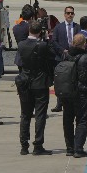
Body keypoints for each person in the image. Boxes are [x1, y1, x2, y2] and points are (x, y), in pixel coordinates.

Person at [16, 21, 57, 156]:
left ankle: (24, 145)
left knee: (25, 114)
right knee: (40, 115)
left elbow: (19, 62)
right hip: (39, 83)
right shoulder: (43, 45)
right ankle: (38, 144)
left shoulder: (21, 45)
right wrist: (46, 40)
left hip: (25, 82)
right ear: (40, 31)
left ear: (29, 30)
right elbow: (53, 57)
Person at [59, 34, 87, 157]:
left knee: (68, 120)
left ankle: (69, 148)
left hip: (67, 92)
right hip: (82, 92)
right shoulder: (86, 58)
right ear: (84, 44)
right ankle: (78, 148)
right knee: (81, 120)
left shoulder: (66, 55)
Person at [50, 6, 80, 112]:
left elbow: (80, 41)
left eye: (72, 13)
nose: (70, 15)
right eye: (68, 13)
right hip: (61, 57)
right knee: (60, 80)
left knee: (73, 79)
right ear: (64, 14)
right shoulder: (58, 27)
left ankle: (74, 102)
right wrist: (62, 50)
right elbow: (54, 41)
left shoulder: (77, 27)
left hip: (73, 57)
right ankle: (59, 104)